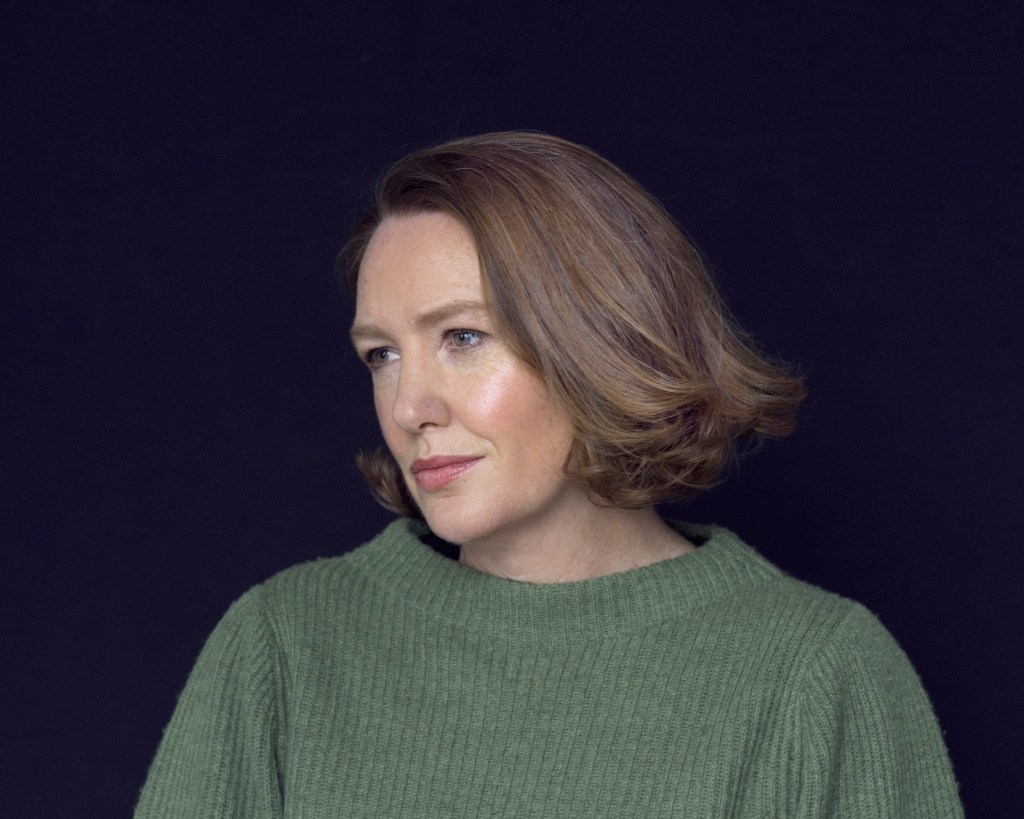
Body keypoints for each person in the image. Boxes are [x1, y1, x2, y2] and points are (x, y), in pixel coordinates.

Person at [135, 133, 962, 817]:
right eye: (381, 355)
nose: (410, 406)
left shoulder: (817, 674)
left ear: (601, 342)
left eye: (462, 338)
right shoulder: (284, 646)